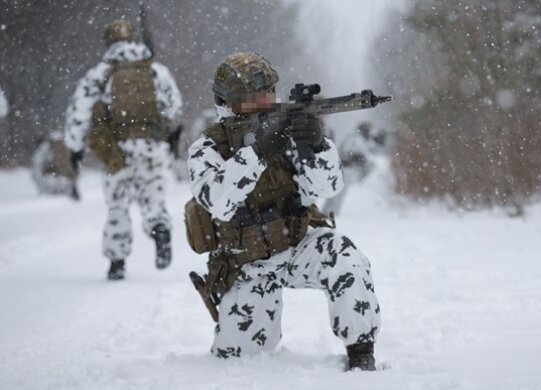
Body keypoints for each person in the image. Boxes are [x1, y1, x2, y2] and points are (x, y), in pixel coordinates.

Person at [186, 52, 381, 371]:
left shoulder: (287, 131)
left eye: (269, 94)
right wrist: (258, 151)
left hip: (296, 246)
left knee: (345, 256)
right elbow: (217, 201)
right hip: (244, 263)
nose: (266, 102)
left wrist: (317, 145)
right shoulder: (208, 148)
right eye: (255, 98)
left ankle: (361, 354)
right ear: (230, 102)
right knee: (238, 360)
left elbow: (329, 187)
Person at [63, 19, 182, 280]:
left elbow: (79, 113)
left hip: (116, 147)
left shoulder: (99, 73)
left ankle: (117, 262)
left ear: (108, 42)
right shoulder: (155, 69)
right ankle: (160, 229)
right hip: (152, 144)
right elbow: (174, 108)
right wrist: (169, 138)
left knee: (118, 204)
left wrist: (74, 148)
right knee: (153, 198)